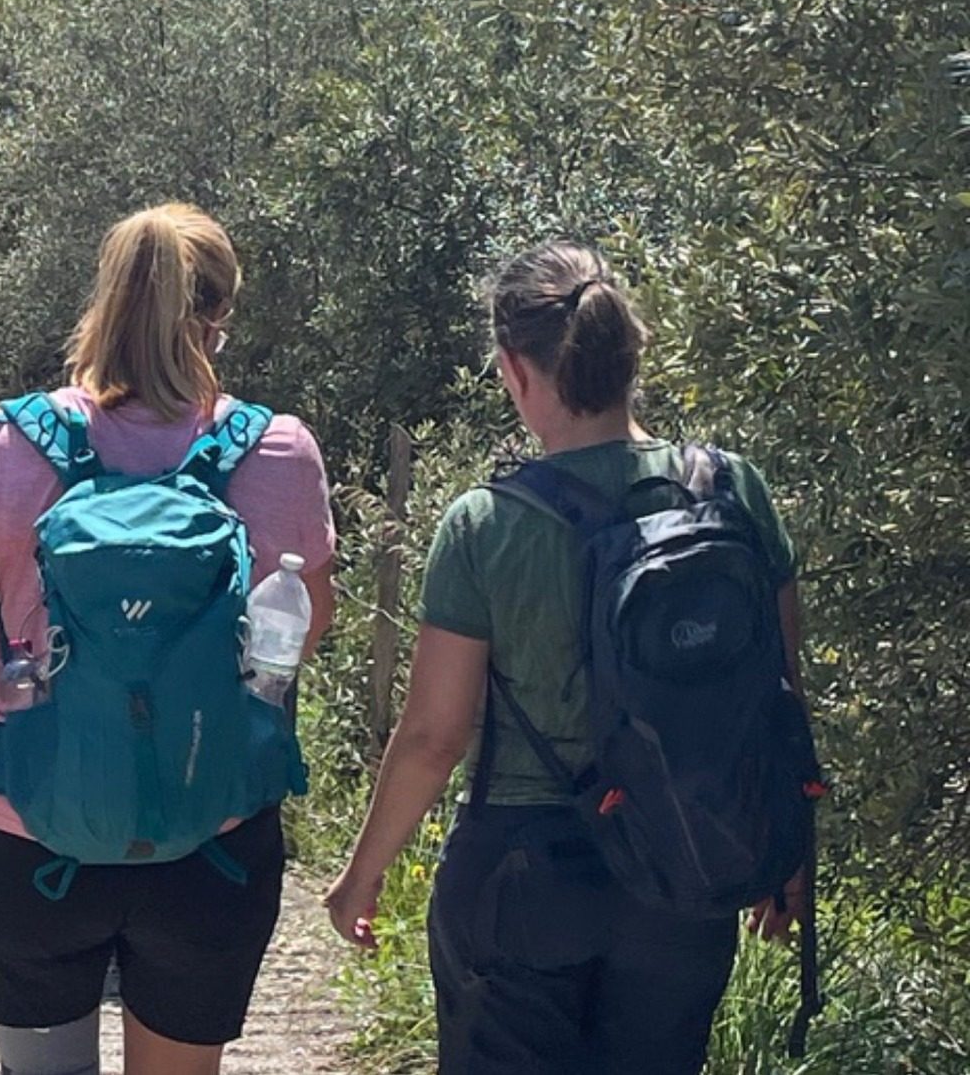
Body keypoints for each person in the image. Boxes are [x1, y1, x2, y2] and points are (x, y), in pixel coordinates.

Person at [0, 204, 337, 1075]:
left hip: (26, 835)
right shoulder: (281, 452)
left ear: (103, 302)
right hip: (211, 838)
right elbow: (299, 644)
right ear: (219, 319)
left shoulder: (4, 441)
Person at [324, 243, 812, 1075]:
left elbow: (435, 737)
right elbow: (779, 698)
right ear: (632, 354)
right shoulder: (733, 492)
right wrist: (786, 851)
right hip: (688, 862)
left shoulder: (484, 525)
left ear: (514, 372)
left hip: (522, 875)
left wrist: (360, 875)